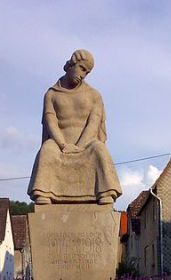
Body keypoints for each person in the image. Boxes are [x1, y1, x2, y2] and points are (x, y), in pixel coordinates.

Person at [28, 49, 122, 205]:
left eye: (87, 72)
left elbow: (93, 123)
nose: (83, 75)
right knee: (47, 150)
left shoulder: (94, 95)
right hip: (59, 145)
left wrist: (79, 147)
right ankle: (44, 193)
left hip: (86, 145)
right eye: (82, 69)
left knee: (99, 149)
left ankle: (105, 193)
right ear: (72, 63)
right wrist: (63, 145)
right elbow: (51, 122)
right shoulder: (51, 94)